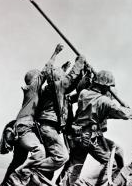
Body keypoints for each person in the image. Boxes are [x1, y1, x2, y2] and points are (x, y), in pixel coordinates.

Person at [60, 70, 132, 186]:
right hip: (91, 137)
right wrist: (129, 109)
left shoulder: (83, 94)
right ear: (105, 86)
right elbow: (124, 114)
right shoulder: (105, 101)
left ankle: (64, 184)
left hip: (77, 135)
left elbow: (98, 109)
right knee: (112, 164)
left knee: (75, 163)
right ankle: (84, 184)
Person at [2, 44, 64, 186]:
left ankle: (5, 184)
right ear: (34, 79)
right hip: (25, 127)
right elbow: (46, 71)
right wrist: (55, 53)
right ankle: (19, 179)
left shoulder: (34, 93)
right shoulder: (32, 88)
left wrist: (63, 70)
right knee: (40, 152)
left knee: (18, 160)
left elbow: (52, 80)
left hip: (22, 127)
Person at [31, 48, 86, 182]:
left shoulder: (57, 92)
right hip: (48, 127)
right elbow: (69, 80)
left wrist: (85, 75)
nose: (64, 76)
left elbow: (73, 89)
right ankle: (30, 170)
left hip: (51, 128)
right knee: (62, 156)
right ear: (57, 78)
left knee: (51, 164)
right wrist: (79, 62)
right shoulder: (54, 87)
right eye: (62, 75)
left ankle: (36, 180)